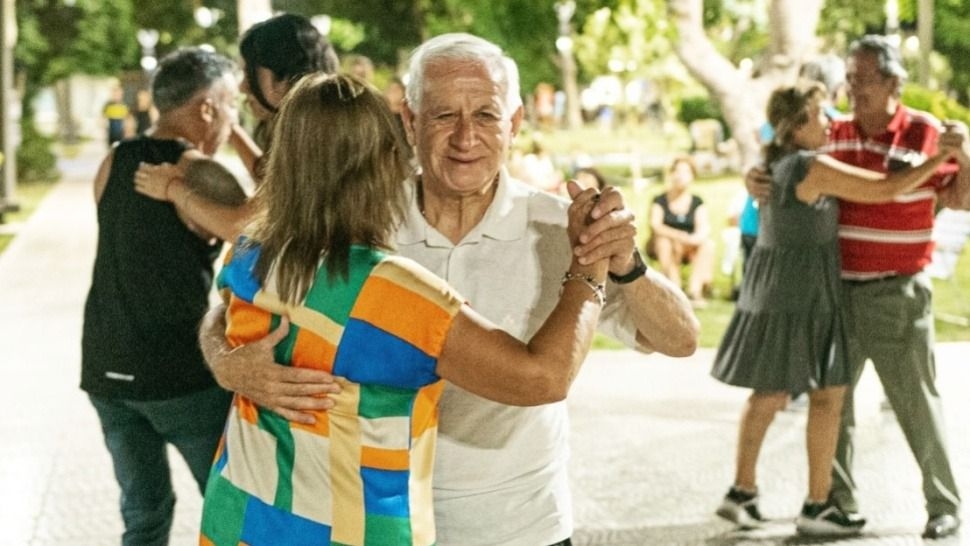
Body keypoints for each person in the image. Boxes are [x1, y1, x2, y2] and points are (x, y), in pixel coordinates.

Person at [198, 33, 700, 546]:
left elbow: (682, 340)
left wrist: (627, 265)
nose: (466, 137)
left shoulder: (562, 228)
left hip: (518, 527)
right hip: (379, 522)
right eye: (443, 116)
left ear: (516, 124)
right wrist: (226, 361)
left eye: (485, 115)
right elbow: (229, 307)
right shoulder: (360, 219)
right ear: (411, 122)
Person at [746, 35, 970, 540]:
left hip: (898, 294)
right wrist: (753, 178)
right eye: (848, 79)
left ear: (893, 82)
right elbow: (783, 167)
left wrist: (965, 156)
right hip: (835, 293)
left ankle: (943, 505)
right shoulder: (832, 134)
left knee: (917, 404)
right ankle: (837, 502)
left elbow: (963, 198)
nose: (852, 89)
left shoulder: (927, 132)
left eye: (862, 80)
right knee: (834, 405)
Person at [81, 47, 239, 546]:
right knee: (229, 505)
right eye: (232, 106)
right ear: (208, 108)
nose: (234, 120)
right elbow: (258, 227)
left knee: (143, 516)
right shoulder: (200, 174)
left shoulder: (115, 159)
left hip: (107, 369)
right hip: (179, 374)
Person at [134, 12, 340, 242]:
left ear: (286, 78)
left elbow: (243, 228)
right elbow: (269, 179)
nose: (243, 87)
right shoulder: (309, 129)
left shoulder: (310, 141)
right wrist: (231, 128)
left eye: (251, 73)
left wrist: (172, 188)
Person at [648, 155, 715, 306]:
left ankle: (694, 291)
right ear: (671, 174)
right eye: (677, 171)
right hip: (664, 244)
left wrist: (688, 240)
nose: (680, 176)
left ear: (692, 176)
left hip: (688, 246)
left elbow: (703, 230)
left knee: (708, 245)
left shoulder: (697, 202)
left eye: (686, 172)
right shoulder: (659, 200)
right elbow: (656, 226)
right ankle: (674, 288)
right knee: (664, 242)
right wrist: (678, 236)